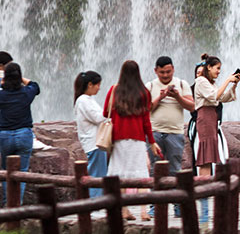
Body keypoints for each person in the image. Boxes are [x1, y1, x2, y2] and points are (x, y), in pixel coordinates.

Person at [104, 60, 163, 221]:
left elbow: (104, 113)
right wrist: (152, 141)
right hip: (137, 139)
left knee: (121, 174)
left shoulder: (114, 90)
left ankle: (124, 210)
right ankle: (144, 211)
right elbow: (146, 121)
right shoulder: (144, 93)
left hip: (119, 139)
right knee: (141, 173)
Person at [193, 54, 240, 222]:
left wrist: (234, 84)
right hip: (205, 119)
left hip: (211, 119)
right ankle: (204, 204)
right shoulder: (201, 81)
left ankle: (205, 204)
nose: (219, 72)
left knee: (209, 158)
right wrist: (227, 80)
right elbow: (214, 97)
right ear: (209, 67)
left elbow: (223, 98)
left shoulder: (210, 83)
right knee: (206, 159)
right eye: (217, 68)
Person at [146, 56, 193, 218]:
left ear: (173, 69)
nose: (165, 75)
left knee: (175, 169)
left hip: (175, 133)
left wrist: (177, 97)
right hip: (154, 133)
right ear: (155, 71)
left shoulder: (182, 84)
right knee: (155, 169)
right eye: (162, 72)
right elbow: (145, 109)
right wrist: (161, 97)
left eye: (168, 71)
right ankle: (155, 204)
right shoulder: (150, 86)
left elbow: (192, 106)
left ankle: (177, 204)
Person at [0, 62, 38, 204]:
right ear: (19, 77)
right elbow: (35, 86)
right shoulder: (26, 93)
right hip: (24, 135)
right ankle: (17, 204)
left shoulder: (0, 95)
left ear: (5, 77)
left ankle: (7, 204)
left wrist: (3, 84)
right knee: (21, 172)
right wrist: (21, 79)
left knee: (6, 171)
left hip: (5, 136)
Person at [73, 70, 107, 198]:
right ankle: (95, 203)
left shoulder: (87, 99)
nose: (99, 88)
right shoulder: (83, 100)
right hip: (94, 144)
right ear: (90, 84)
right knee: (97, 177)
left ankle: (96, 203)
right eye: (98, 85)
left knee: (98, 175)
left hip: (95, 143)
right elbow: (98, 118)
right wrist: (111, 109)